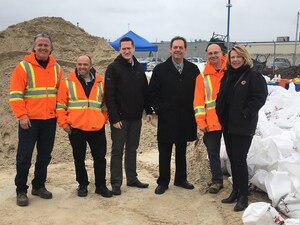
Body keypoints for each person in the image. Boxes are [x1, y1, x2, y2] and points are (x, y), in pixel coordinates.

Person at [9, 32, 63, 206]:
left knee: (44, 156)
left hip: (49, 120)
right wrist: (22, 116)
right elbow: (16, 95)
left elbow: (60, 95)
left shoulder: (57, 68)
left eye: (46, 45)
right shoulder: (23, 67)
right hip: (29, 121)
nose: (43, 47)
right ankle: (21, 190)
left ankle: (38, 186)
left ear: (51, 48)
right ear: (34, 47)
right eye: (39, 44)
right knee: (24, 156)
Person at [216, 45, 268, 211]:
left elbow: (259, 97)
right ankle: (235, 191)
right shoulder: (228, 75)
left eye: (238, 57)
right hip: (228, 125)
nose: (235, 60)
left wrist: (246, 113)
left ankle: (244, 196)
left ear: (245, 57)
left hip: (243, 125)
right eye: (232, 57)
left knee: (239, 159)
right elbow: (222, 97)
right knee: (233, 159)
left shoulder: (253, 76)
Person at [149, 36, 200, 195]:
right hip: (167, 118)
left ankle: (181, 179)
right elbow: (152, 93)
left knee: (181, 150)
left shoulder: (193, 70)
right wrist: (161, 109)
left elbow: (199, 93)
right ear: (170, 49)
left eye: (181, 47)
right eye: (175, 47)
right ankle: (163, 181)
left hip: (186, 118)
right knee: (164, 150)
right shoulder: (160, 70)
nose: (177, 50)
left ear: (185, 50)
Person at [56, 55, 112, 198]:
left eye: (85, 64)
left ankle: (100, 185)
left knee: (100, 158)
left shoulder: (100, 82)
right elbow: (60, 105)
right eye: (80, 64)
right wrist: (64, 124)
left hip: (96, 128)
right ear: (76, 65)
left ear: (91, 65)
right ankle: (82, 185)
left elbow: (105, 104)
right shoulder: (68, 82)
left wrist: (102, 119)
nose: (82, 67)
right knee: (79, 158)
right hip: (76, 129)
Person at [104, 37, 153, 196]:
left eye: (129, 48)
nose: (126, 51)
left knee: (132, 149)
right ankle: (116, 183)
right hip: (120, 119)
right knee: (117, 151)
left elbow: (144, 92)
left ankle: (132, 178)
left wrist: (149, 111)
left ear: (133, 49)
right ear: (120, 49)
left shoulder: (138, 67)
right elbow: (109, 96)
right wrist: (114, 118)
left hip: (136, 118)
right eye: (123, 48)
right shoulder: (113, 68)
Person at [193, 42, 227, 194]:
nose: (213, 56)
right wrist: (201, 122)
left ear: (222, 54)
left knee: (234, 152)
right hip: (212, 122)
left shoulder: (231, 71)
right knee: (213, 152)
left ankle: (239, 181)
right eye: (210, 53)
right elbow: (198, 102)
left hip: (230, 119)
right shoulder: (202, 77)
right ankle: (217, 181)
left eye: (216, 53)